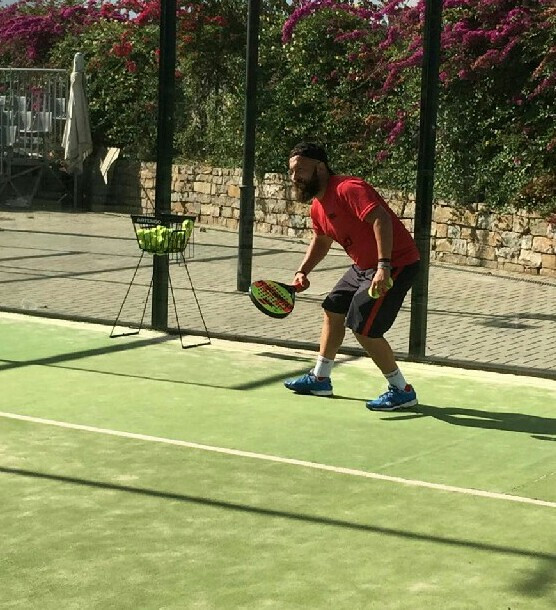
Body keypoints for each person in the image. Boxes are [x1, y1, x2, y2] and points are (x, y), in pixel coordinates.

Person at [284, 142, 421, 411]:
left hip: (396, 263)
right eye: (291, 171)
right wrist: (303, 271)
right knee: (333, 308)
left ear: (320, 168)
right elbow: (321, 240)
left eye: (300, 169)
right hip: (363, 266)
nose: (294, 176)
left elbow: (381, 219)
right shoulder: (318, 207)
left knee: (364, 327)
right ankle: (320, 378)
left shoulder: (348, 188)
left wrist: (383, 266)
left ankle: (402, 390)